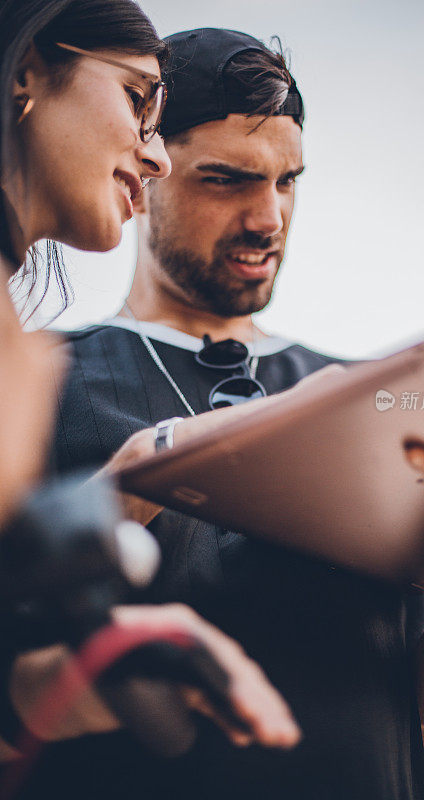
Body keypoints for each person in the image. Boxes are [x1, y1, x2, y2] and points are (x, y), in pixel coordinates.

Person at [49, 28, 424, 800]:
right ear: (145, 173)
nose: (268, 217)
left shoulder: (375, 404)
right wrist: (139, 474)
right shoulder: (38, 381)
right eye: (227, 180)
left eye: (287, 181)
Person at [0, 3, 300, 766]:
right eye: (138, 98)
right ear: (28, 68)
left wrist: (111, 669)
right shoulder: (42, 363)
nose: (153, 153)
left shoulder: (21, 353)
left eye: (288, 183)